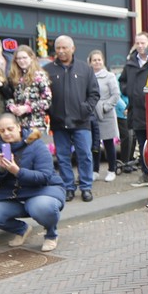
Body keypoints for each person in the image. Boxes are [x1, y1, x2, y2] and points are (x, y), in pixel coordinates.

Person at [0, 113, 67, 251]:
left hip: (43, 191)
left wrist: (17, 171)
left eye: (10, 129)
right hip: (13, 195)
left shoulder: (36, 145)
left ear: (19, 127)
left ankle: (51, 234)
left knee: (41, 207)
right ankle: (21, 229)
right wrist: (0, 169)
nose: (6, 133)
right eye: (2, 130)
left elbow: (44, 176)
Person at [43, 35, 99, 202]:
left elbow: (94, 93)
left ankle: (86, 187)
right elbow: (43, 94)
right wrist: (51, 112)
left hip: (81, 121)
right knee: (62, 157)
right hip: (59, 122)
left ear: (72, 48)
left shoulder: (85, 69)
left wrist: (85, 109)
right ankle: (68, 187)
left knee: (85, 155)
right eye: (58, 48)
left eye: (64, 48)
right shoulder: (47, 70)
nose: (61, 51)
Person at [119, 32, 148, 184]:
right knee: (142, 143)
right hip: (137, 111)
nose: (140, 46)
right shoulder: (130, 63)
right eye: (137, 43)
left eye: (143, 43)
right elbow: (122, 81)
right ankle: (146, 174)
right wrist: (129, 91)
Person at [88, 49, 121, 182]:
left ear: (103, 61)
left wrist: (104, 107)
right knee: (94, 144)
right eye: (94, 60)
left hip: (106, 115)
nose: (97, 62)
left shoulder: (109, 76)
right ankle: (95, 171)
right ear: (90, 62)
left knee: (108, 144)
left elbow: (116, 95)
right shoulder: (87, 76)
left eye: (99, 59)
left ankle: (112, 170)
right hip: (91, 114)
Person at [6, 46, 52, 134]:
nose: (21, 61)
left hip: (35, 123)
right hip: (17, 123)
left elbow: (47, 101)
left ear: (31, 58)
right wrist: (12, 107)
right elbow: (8, 97)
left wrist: (27, 108)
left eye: (24, 58)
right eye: (18, 58)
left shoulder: (40, 76)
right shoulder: (13, 77)